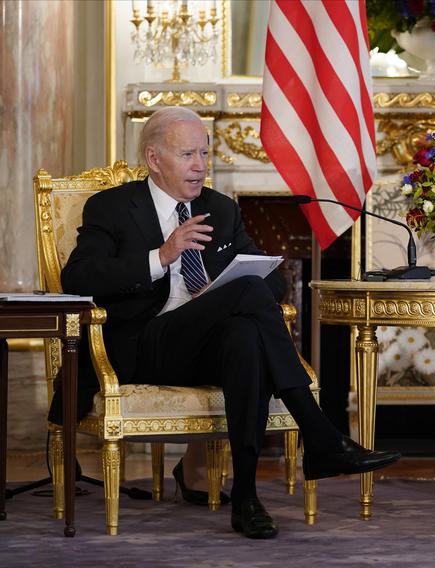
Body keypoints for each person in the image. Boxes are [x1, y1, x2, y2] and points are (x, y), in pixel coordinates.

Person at [60, 107, 400, 539]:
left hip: (206, 348)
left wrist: (219, 297)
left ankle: (245, 497)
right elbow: (79, 278)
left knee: (243, 334)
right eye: (187, 154)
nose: (200, 164)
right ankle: (318, 434)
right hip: (145, 345)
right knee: (243, 300)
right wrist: (161, 257)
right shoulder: (112, 207)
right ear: (153, 158)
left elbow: (273, 283)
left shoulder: (219, 208)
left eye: (204, 152)